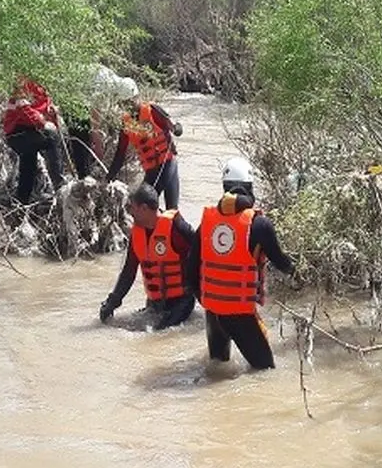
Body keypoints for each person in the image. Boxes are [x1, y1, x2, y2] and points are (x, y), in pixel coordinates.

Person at [198, 156, 296, 370]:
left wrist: (209, 298)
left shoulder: (207, 221)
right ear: (250, 188)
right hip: (240, 314)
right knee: (265, 372)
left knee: (216, 369)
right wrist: (297, 271)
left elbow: (190, 269)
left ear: (224, 188)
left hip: (213, 312)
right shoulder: (260, 224)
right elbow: (281, 263)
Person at [99, 183, 198, 330]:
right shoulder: (137, 234)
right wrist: (112, 302)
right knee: (125, 328)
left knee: (157, 334)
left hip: (181, 301)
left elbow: (201, 253)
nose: (130, 212)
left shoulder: (176, 227)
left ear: (144, 208)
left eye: (132, 207)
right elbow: (129, 271)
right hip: (154, 303)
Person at [105, 95, 183, 210]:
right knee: (141, 205)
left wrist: (177, 129)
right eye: (125, 103)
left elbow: (175, 128)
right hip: (151, 170)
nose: (129, 105)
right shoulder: (126, 123)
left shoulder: (153, 111)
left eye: (131, 101)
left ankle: (184, 227)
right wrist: (108, 178)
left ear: (137, 98)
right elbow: (120, 154)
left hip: (167, 164)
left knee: (169, 210)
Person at [65, 66, 138, 179]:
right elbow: (94, 111)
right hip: (74, 105)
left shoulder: (110, 77)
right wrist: (97, 140)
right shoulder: (106, 84)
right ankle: (84, 180)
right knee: (81, 140)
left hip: (77, 100)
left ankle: (87, 172)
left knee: (86, 140)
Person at [1, 76, 65, 204]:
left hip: (28, 132)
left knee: (28, 165)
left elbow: (45, 111)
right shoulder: (24, 83)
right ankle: (59, 184)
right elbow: (24, 109)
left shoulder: (42, 87)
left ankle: (22, 200)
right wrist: (43, 123)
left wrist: (51, 119)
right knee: (52, 139)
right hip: (19, 132)